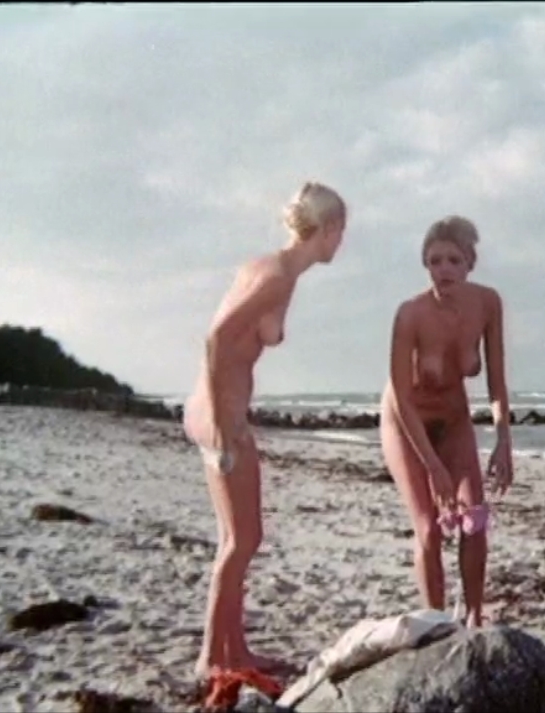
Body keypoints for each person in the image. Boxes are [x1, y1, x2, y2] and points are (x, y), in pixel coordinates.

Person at [182, 181, 347, 676]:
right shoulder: (275, 276)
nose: (342, 243)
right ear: (329, 228)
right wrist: (221, 423)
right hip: (221, 416)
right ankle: (211, 658)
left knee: (235, 538)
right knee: (243, 541)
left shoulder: (266, 268)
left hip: (212, 409)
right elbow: (215, 339)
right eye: (342, 232)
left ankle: (234, 651)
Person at [379, 215, 514, 628]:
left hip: (454, 418)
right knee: (430, 529)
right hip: (406, 421)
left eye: (454, 260)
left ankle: (473, 619)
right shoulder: (410, 314)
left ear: (470, 263)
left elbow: (496, 381)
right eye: (434, 261)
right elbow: (402, 396)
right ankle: (436, 623)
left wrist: (504, 440)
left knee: (475, 519)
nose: (444, 270)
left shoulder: (487, 303)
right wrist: (433, 466)